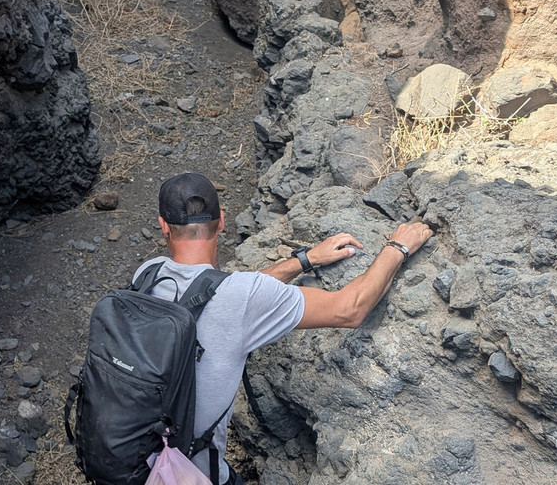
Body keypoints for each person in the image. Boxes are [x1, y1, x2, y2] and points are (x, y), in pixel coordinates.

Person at [134, 172, 434, 485]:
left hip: (130, 457)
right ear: (222, 221)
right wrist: (398, 247)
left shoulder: (148, 275)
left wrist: (303, 260)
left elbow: (221, 292)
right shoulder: (241, 297)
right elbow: (351, 309)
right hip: (186, 475)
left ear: (163, 225)